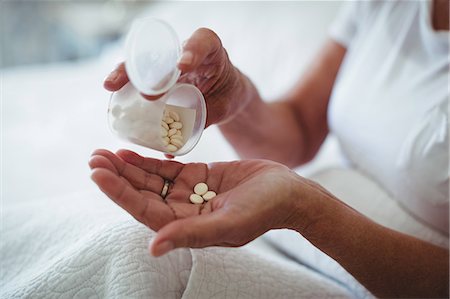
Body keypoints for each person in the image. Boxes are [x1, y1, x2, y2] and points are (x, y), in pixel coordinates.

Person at [89, 1, 449, 297]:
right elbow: (301, 129)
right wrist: (234, 95)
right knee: (126, 251)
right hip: (320, 239)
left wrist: (306, 210)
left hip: (382, 266)